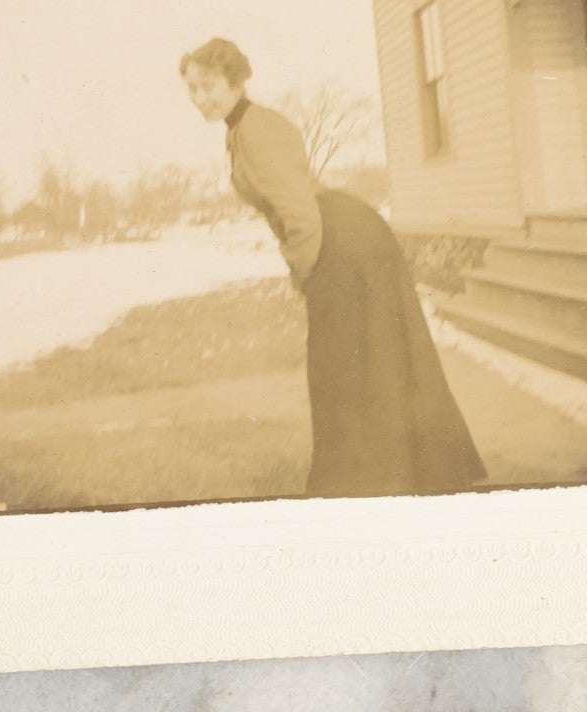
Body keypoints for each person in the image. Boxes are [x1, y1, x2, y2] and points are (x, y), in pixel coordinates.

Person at [180, 37, 486, 499]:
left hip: (339, 241)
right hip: (342, 235)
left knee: (345, 368)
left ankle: (367, 484)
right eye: (192, 89)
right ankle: (387, 479)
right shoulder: (242, 128)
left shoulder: (255, 128)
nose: (200, 98)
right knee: (364, 365)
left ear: (235, 80)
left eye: (208, 86)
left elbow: (299, 213)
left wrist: (303, 271)